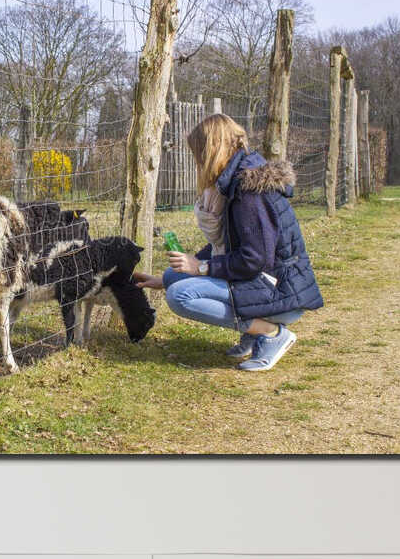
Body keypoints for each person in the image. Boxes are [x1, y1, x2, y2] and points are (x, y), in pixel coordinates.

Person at [134, 113, 324, 372]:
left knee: (181, 296)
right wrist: (168, 278)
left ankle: (269, 333)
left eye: (198, 155)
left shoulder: (248, 192)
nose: (198, 162)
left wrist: (201, 268)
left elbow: (254, 260)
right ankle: (255, 331)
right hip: (270, 282)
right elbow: (228, 244)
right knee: (172, 278)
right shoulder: (238, 178)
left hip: (282, 292)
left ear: (211, 150)